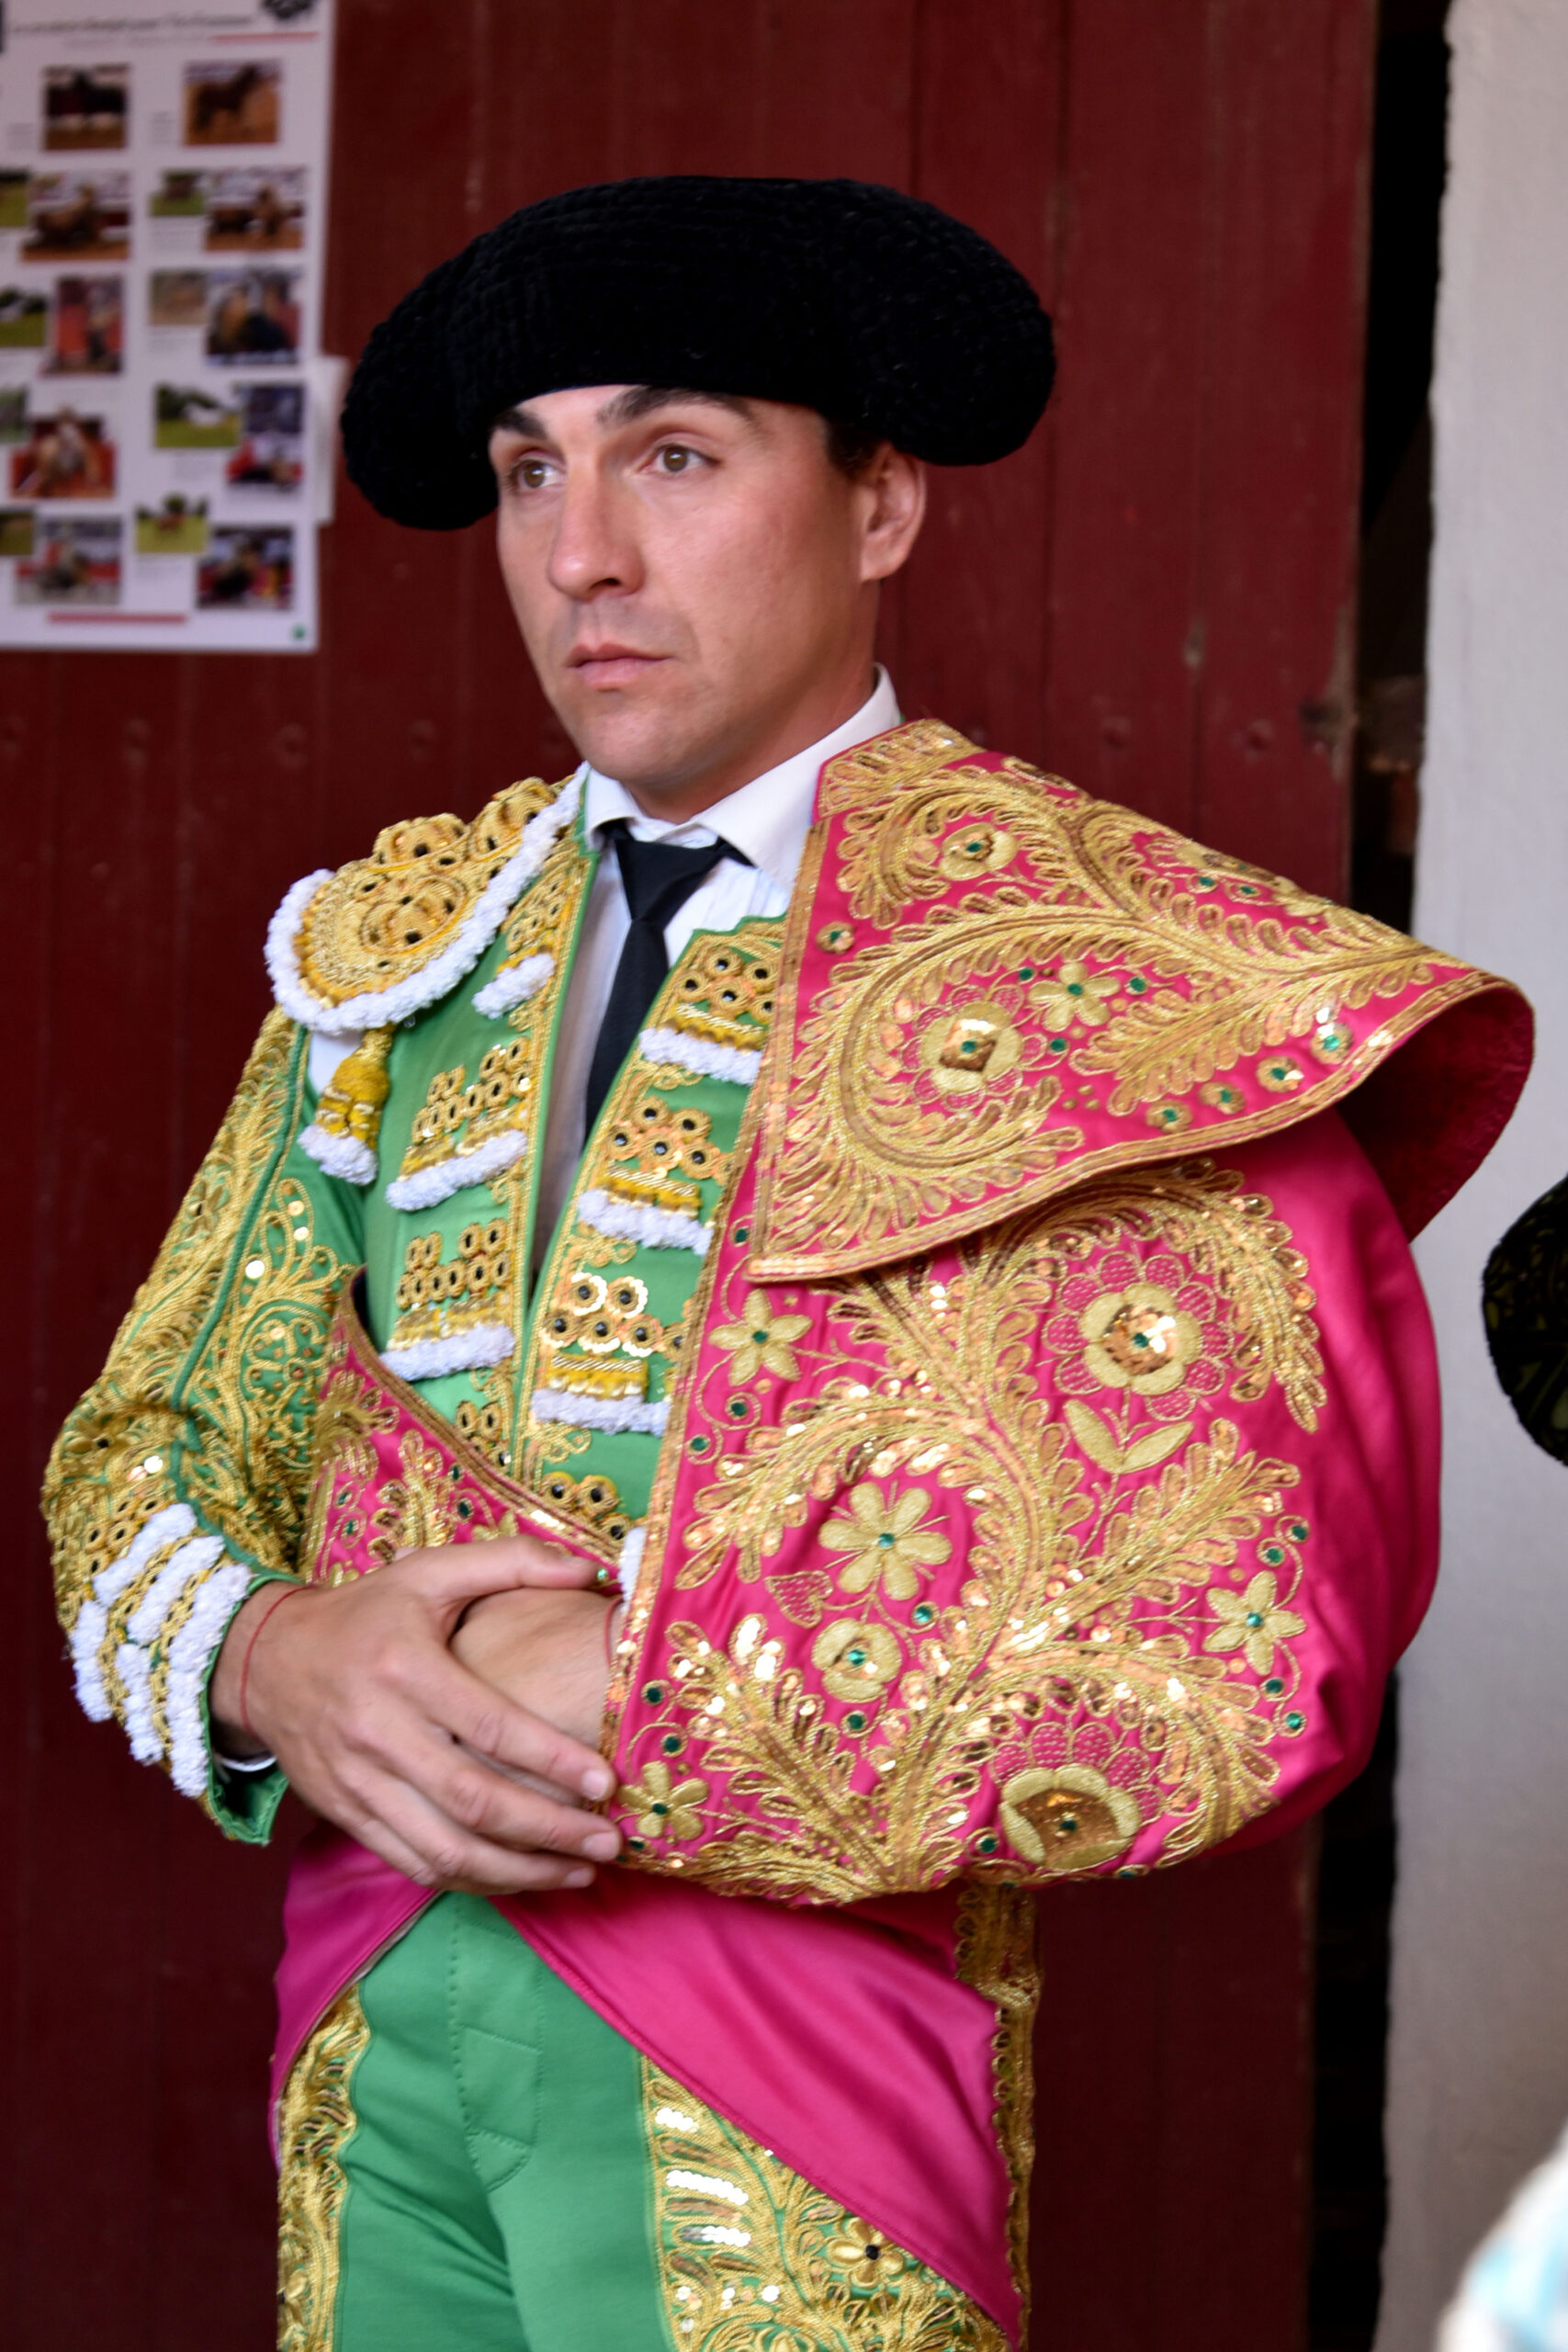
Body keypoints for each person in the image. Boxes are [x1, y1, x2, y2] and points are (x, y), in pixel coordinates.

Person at [43, 175, 1531, 2352]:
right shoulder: (390, 964)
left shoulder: (1114, 991)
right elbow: (138, 1456)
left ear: (883, 504)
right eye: (526, 471)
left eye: (669, 454)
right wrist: (271, 1655)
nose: (579, 558)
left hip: (792, 2084)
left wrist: (638, 1699)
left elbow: (1243, 1644)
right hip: (368, 2035)